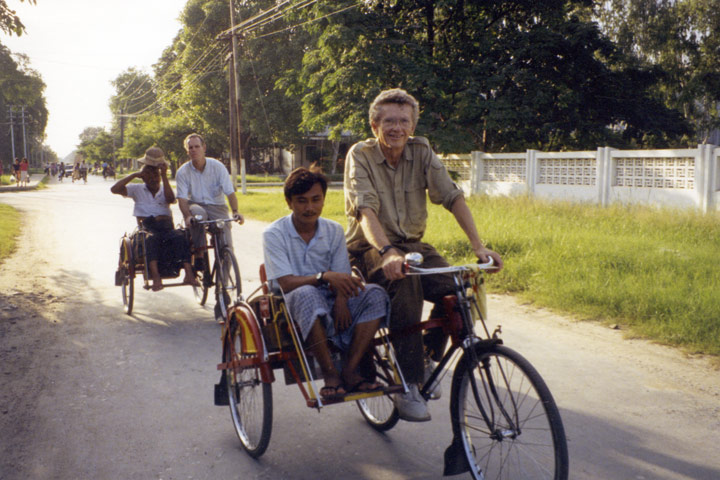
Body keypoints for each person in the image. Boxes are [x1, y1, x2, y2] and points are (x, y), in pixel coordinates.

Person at [344, 88, 504, 422]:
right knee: (407, 284)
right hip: (369, 248)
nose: (397, 128)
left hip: (413, 245)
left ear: (412, 124)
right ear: (375, 125)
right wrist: (387, 253)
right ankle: (407, 382)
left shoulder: (422, 149)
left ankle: (429, 354)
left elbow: (452, 196)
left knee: (458, 287)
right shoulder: (359, 154)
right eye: (389, 121)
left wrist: (478, 246)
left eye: (404, 121)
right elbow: (365, 210)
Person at [263, 166, 389, 397]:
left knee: (375, 293)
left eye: (315, 200)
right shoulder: (273, 233)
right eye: (301, 201)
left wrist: (341, 298)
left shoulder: (333, 230)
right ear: (289, 202)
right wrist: (323, 277)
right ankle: (330, 373)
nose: (309, 208)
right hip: (292, 300)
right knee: (306, 293)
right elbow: (286, 283)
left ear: (323, 200)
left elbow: (342, 274)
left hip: (331, 295)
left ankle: (350, 371)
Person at [111, 147, 197, 291]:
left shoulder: (165, 187)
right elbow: (114, 189)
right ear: (144, 177)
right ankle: (156, 278)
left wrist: (163, 175)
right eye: (149, 176)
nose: (153, 179)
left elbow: (170, 199)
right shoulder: (137, 189)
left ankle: (189, 274)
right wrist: (134, 175)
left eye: (155, 176)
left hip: (166, 226)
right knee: (150, 240)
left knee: (181, 237)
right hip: (147, 227)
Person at [176, 133, 243, 257]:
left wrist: (235, 211)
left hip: (218, 207)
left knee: (227, 246)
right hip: (196, 205)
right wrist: (187, 216)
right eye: (190, 148)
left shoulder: (218, 167)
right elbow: (182, 199)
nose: (194, 150)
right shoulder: (182, 172)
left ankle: (223, 273)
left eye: (197, 146)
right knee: (198, 216)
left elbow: (229, 192)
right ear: (187, 151)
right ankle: (200, 254)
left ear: (204, 148)